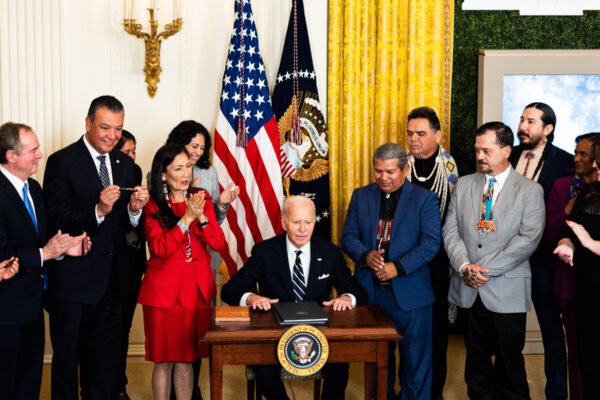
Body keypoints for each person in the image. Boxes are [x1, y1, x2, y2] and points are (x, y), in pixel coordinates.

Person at [43, 95, 150, 399]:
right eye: (105, 127)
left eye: (118, 128)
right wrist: (98, 210)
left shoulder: (126, 165)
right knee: (67, 366)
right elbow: (57, 219)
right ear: (88, 123)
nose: (112, 135)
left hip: (113, 286)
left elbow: (128, 228)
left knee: (104, 371)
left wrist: (134, 210)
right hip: (74, 285)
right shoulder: (61, 162)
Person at [222, 195, 367, 400]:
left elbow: (359, 292)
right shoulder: (265, 252)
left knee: (340, 365)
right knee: (262, 365)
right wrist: (251, 298)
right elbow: (229, 290)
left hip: (320, 334)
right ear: (284, 223)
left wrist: (347, 297)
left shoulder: (330, 253)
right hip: (274, 334)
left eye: (308, 222)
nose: (303, 229)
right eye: (296, 222)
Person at [443, 121, 545, 400]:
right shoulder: (464, 184)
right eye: (477, 150)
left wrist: (484, 270)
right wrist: (465, 267)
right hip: (468, 289)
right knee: (475, 366)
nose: (479, 156)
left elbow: (529, 238)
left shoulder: (530, 190)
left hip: (507, 290)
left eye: (486, 151)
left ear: (506, 151)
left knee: (510, 366)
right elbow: (450, 231)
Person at [342, 143, 441, 400]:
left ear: (405, 170)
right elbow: (348, 236)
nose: (383, 177)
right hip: (371, 294)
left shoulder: (425, 199)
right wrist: (365, 255)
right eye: (378, 171)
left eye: (390, 172)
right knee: (377, 362)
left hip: (412, 296)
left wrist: (398, 267)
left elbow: (431, 243)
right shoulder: (361, 196)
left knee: (416, 365)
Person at [0, 122, 89, 400]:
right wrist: (45, 253)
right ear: (11, 156)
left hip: (34, 306)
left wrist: (65, 249)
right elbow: (2, 252)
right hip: (6, 310)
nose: (40, 154)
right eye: (33, 150)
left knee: (29, 384)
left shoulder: (35, 189)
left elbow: (43, 241)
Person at [138, 144, 225, 400]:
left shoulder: (201, 197)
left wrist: (202, 218)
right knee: (164, 360)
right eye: (178, 169)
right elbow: (160, 248)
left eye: (188, 166)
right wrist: (186, 219)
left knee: (187, 359)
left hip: (195, 291)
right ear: (163, 175)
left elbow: (218, 243)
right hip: (163, 296)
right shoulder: (152, 205)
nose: (186, 173)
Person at [164, 120, 238, 400]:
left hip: (204, 260)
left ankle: (192, 388)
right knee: (174, 335)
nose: (197, 152)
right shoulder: (162, 168)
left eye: (202, 148)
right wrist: (184, 199)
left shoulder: (209, 172)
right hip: (174, 261)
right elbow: (159, 219)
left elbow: (214, 222)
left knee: (199, 330)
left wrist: (222, 202)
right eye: (193, 145)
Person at [510, 102, 572, 400]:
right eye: (522, 119)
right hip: (508, 258)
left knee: (551, 330)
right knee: (508, 330)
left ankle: (556, 393)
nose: (522, 126)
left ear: (548, 129)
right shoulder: (507, 154)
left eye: (530, 121)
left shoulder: (565, 162)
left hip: (544, 259)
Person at [406, 106, 458, 400]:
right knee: (407, 328)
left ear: (437, 135)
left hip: (438, 259)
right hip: (404, 258)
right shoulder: (400, 165)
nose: (414, 139)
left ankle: (434, 391)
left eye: (421, 133)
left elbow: (456, 217)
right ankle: (406, 388)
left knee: (436, 329)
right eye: (410, 133)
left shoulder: (451, 169)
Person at [545, 133, 598, 400]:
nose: (576, 158)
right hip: (578, 284)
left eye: (584, 154)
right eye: (575, 152)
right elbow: (557, 232)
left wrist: (589, 243)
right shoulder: (575, 190)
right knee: (581, 353)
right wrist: (567, 241)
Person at [115, 130, 147, 400]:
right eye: (127, 152)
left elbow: (135, 222)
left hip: (132, 261)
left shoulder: (134, 172)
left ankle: (119, 384)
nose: (132, 156)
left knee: (123, 327)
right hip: (104, 263)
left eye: (134, 151)